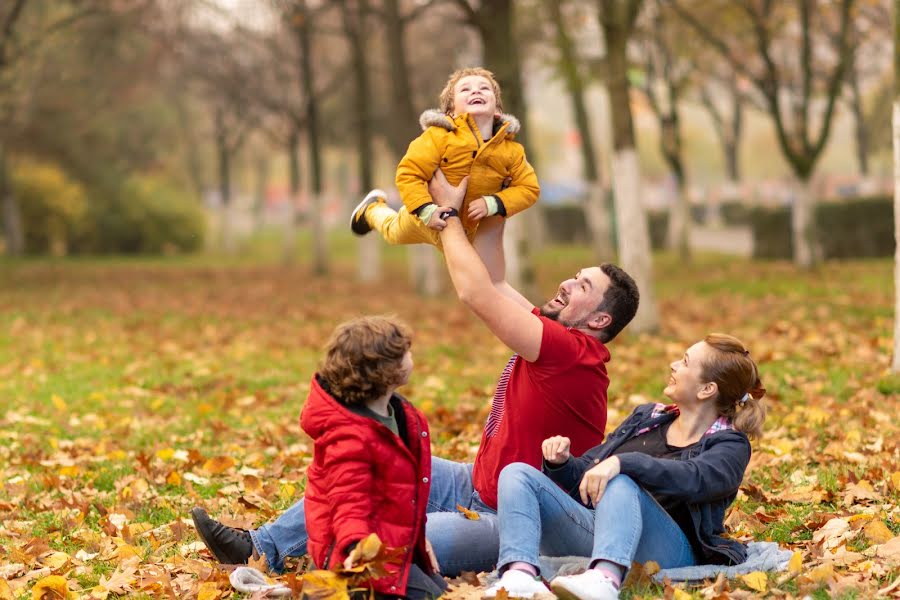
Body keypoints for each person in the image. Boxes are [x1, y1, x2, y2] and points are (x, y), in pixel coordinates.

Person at [191, 173, 639, 576]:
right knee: (372, 459)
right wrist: (495, 195)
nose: (566, 283)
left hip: (517, 519)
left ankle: (329, 570)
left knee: (400, 540)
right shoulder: (558, 337)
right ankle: (257, 548)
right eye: (575, 275)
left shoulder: (574, 353)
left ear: (600, 321)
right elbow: (497, 281)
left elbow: (476, 292)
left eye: (583, 287)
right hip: (475, 483)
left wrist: (447, 216)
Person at [482, 334, 767, 600]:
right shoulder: (647, 419)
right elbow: (589, 473)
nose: (674, 364)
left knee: (621, 479)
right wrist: (563, 463)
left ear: (707, 389)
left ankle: (605, 580)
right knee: (517, 472)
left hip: (668, 551)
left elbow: (696, 480)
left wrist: (622, 463)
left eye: (685, 362)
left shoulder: (729, 445)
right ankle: (519, 576)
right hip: (599, 531)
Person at [194, 316, 444, 600]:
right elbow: (348, 500)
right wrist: (355, 546)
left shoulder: (399, 414)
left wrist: (418, 542)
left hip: (390, 547)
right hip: (353, 558)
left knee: (438, 590)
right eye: (405, 352)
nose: (412, 357)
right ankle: (320, 592)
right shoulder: (349, 437)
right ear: (384, 369)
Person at [349, 67, 539, 273]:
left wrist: (493, 203)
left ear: (497, 110)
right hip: (424, 217)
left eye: (484, 88)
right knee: (393, 232)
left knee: (481, 276)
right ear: (450, 111)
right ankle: (372, 210)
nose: (476, 91)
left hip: (470, 231)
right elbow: (409, 172)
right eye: (465, 89)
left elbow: (529, 188)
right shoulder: (439, 137)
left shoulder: (511, 150)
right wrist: (426, 210)